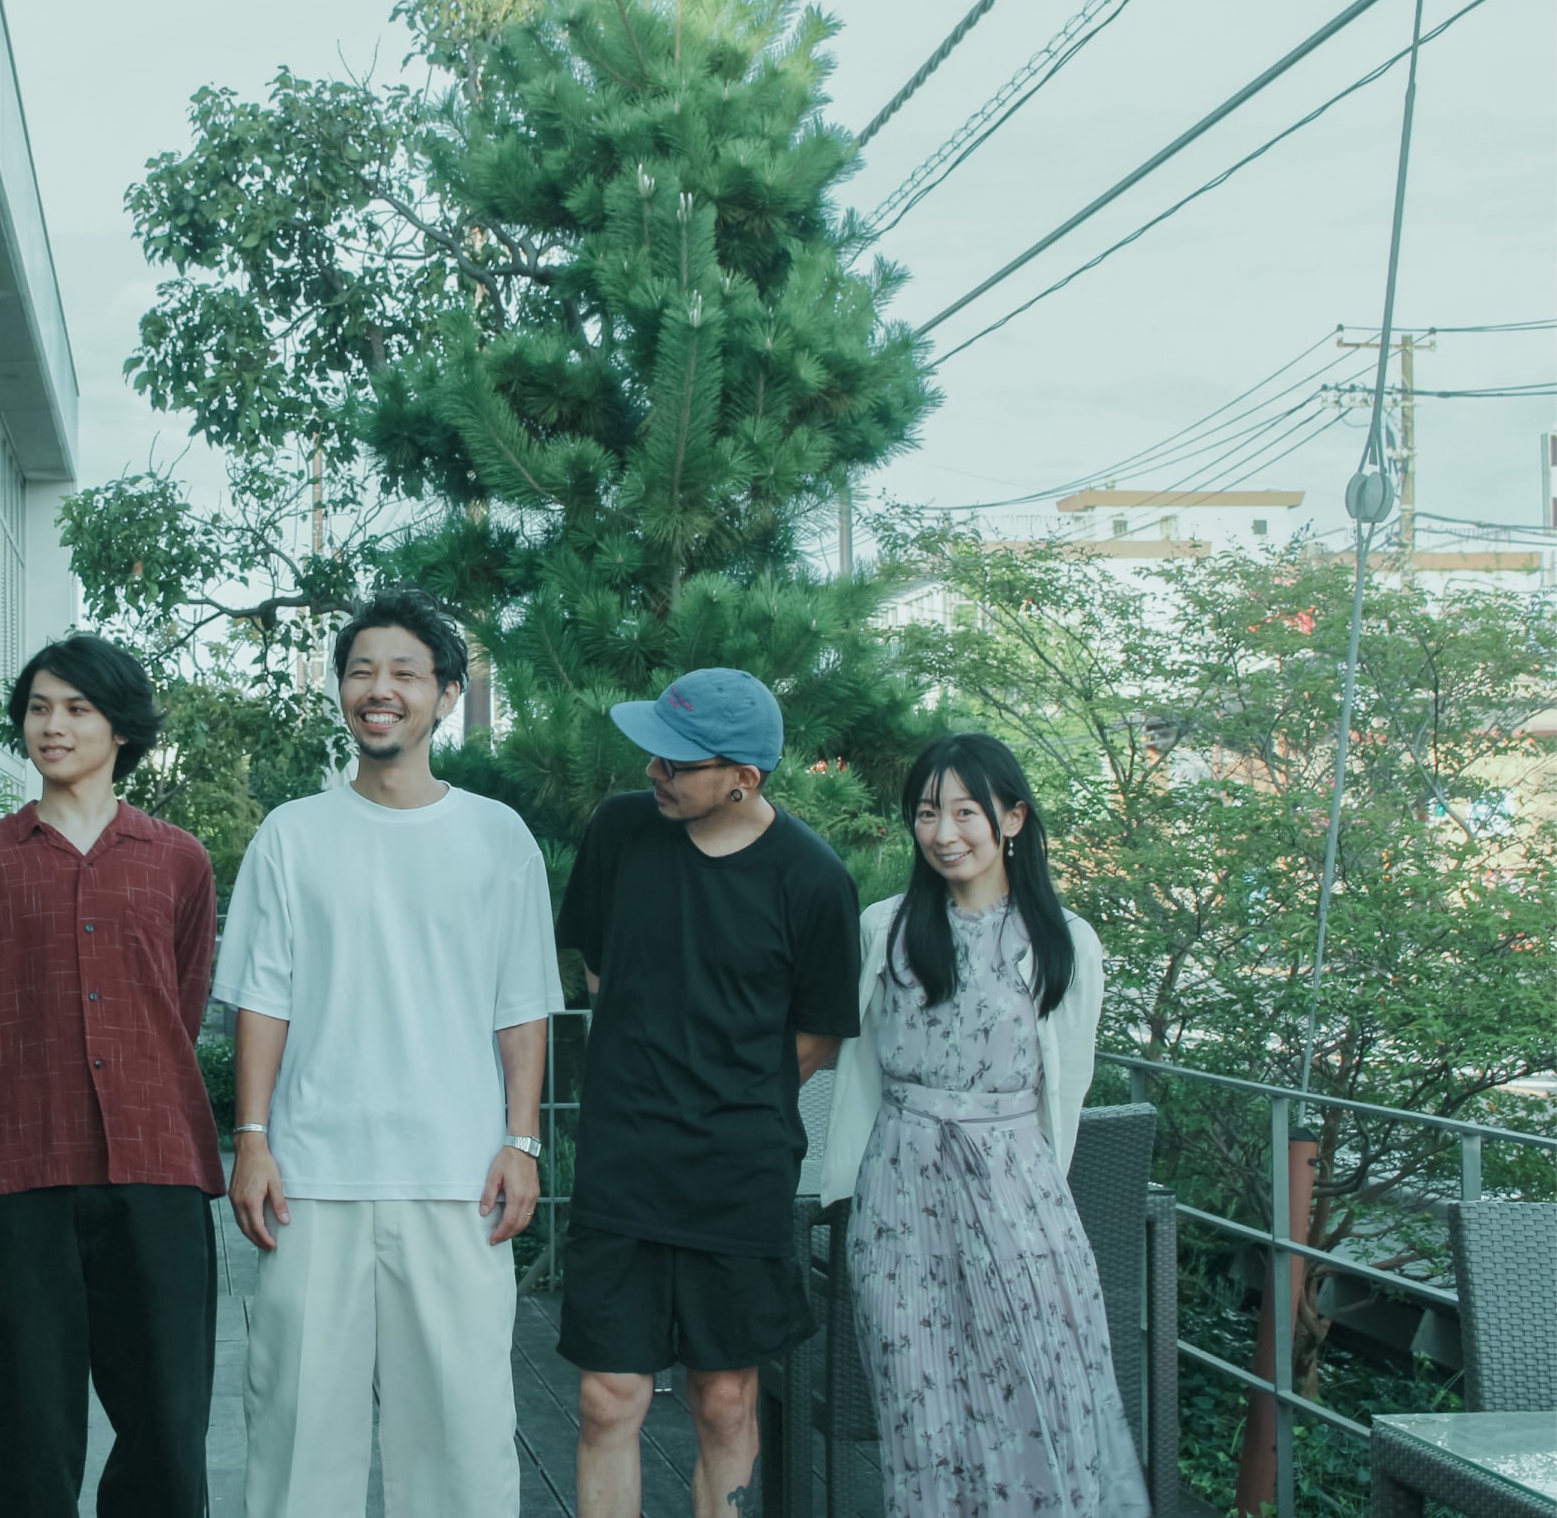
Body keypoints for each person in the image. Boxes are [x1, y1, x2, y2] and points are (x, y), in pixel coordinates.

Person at [218, 588, 563, 1518]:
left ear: (445, 694)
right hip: (310, 1176)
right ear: (341, 689)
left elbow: (520, 1007)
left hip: (458, 1177)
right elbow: (264, 998)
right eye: (361, 670)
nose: (380, 689)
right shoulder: (293, 834)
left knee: (462, 1438)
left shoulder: (497, 836)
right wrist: (252, 1138)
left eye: (405, 672)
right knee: (295, 1432)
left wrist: (521, 1142)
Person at [554, 668, 861, 1518]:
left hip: (738, 1174)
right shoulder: (620, 832)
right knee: (606, 1397)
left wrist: (724, 1097)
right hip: (623, 1162)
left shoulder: (813, 879)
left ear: (743, 778)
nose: (653, 771)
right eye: (654, 753)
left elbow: (816, 1040)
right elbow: (601, 976)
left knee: (724, 1399)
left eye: (677, 763)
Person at [0, 634, 223, 1518]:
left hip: (156, 1168)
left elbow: (180, 1000)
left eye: (76, 708)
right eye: (38, 708)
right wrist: (25, 1089)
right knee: (20, 1433)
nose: (51, 726)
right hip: (19, 1172)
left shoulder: (179, 860)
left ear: (121, 727)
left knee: (167, 1426)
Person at [820, 732, 1150, 1516]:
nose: (944, 833)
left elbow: (1067, 1086)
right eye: (927, 812)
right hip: (900, 1194)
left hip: (1018, 1194)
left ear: (1013, 819)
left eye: (967, 812)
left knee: (1035, 1390)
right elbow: (850, 1064)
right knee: (918, 1402)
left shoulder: (1064, 941)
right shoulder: (885, 928)